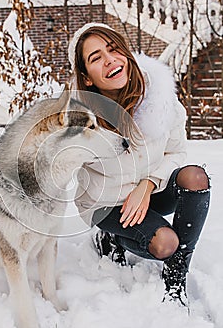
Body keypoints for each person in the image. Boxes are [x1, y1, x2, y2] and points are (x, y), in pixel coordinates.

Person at [68, 23, 210, 307]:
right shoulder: (77, 119)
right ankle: (112, 240)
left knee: (195, 177)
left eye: (113, 48)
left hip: (151, 191)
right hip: (107, 203)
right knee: (164, 243)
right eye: (96, 58)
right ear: (86, 78)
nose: (110, 59)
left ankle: (176, 276)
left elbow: (176, 150)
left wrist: (147, 185)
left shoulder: (158, 96)